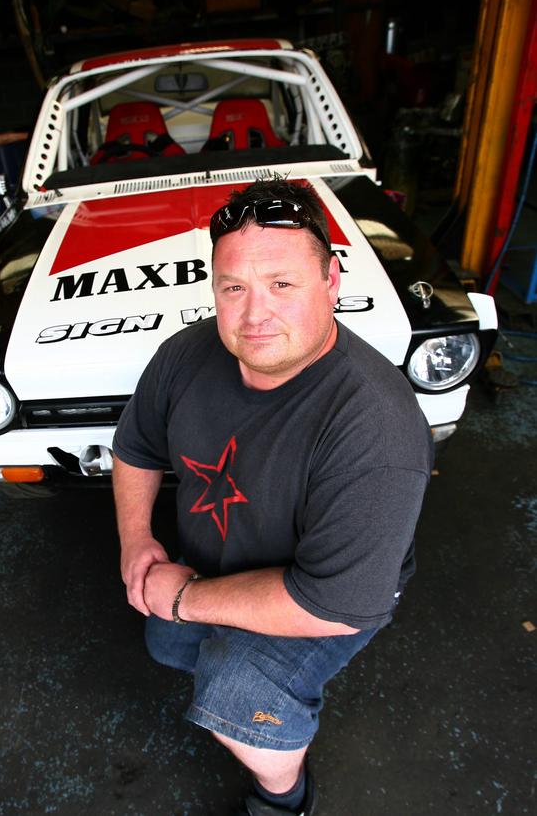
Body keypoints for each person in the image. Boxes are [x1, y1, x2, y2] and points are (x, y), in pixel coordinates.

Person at [112, 178, 433, 816]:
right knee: (170, 644)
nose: (254, 314)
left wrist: (182, 596)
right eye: (234, 288)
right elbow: (137, 448)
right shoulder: (185, 353)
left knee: (233, 694)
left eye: (282, 285)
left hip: (329, 593)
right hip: (223, 565)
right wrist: (137, 539)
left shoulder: (376, 425)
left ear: (332, 281)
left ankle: (284, 796)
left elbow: (333, 603)